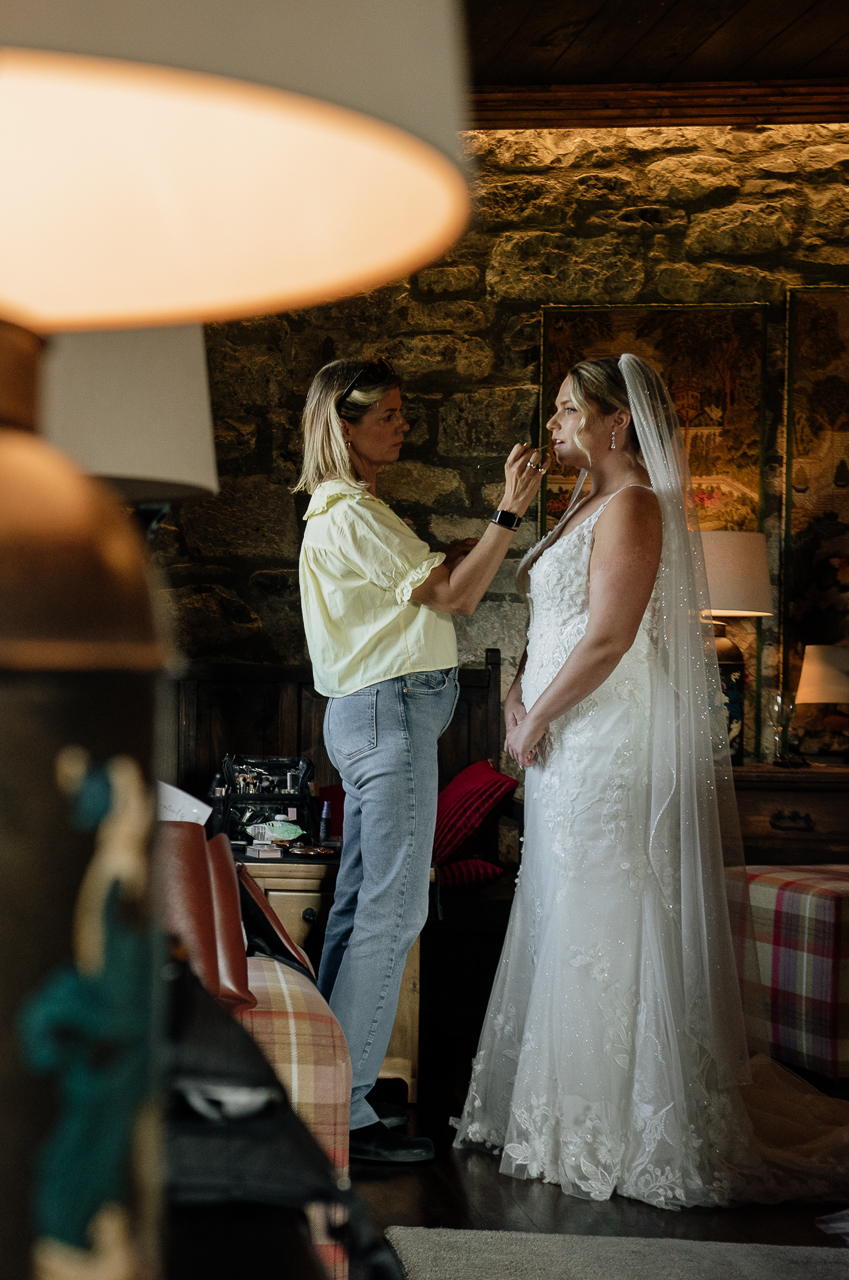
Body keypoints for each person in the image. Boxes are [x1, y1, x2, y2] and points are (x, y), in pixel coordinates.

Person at [457, 353, 849, 1211]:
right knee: (564, 904)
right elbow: (551, 620)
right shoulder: (581, 503)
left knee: (607, 910)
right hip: (563, 731)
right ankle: (561, 1117)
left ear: (617, 422)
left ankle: (626, 1124)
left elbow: (608, 637)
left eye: (568, 411)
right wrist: (517, 688)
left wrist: (538, 717)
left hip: (604, 734)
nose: (554, 424)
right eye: (557, 410)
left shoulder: (636, 505)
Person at [295, 356, 544, 1165]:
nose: (405, 424)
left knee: (358, 907)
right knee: (392, 913)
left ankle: (326, 1097)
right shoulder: (348, 513)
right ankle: (352, 1116)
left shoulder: (351, 510)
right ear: (345, 424)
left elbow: (430, 591)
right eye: (390, 413)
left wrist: (456, 553)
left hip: (375, 716)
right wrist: (510, 511)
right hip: (388, 717)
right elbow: (459, 601)